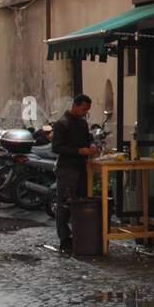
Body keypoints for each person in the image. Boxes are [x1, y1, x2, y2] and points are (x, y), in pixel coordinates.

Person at [51, 94, 99, 253]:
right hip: (67, 169)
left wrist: (91, 145)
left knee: (80, 203)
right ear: (76, 106)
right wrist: (78, 150)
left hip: (81, 168)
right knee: (64, 205)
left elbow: (88, 138)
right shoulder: (62, 124)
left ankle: (80, 236)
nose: (85, 112)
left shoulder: (82, 123)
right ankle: (64, 239)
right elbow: (57, 148)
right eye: (84, 109)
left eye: (87, 110)